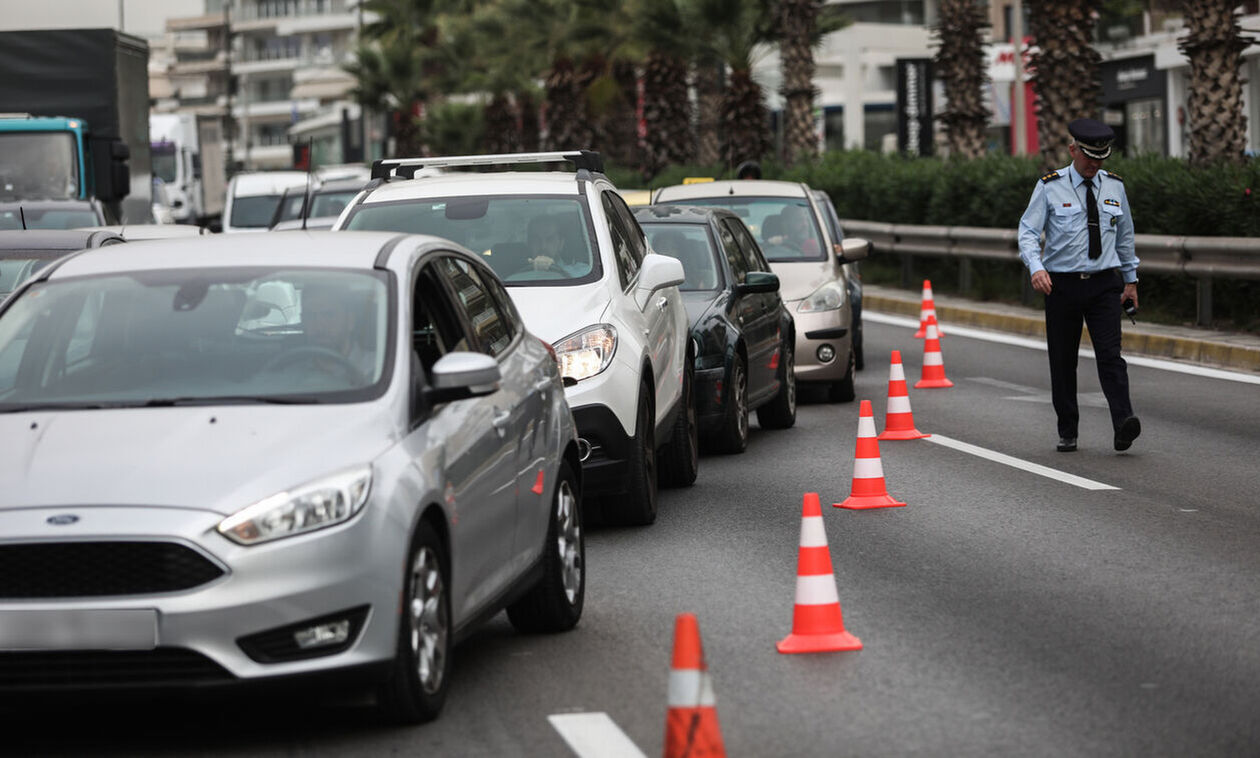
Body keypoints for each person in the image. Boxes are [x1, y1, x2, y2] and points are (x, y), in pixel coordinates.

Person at [1018, 117, 1141, 453]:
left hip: (1104, 284)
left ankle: (1123, 423)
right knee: (1063, 360)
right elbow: (1028, 232)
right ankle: (1068, 429)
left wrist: (1130, 281)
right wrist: (1036, 267)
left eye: (1101, 157)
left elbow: (1125, 237)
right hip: (1061, 286)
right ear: (1073, 150)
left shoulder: (1114, 186)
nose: (1094, 163)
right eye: (1088, 156)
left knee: (1110, 356)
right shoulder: (1049, 186)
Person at [301, 284, 375, 383]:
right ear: (302, 321)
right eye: (310, 315)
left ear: (350, 321)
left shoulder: (378, 370)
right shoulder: (291, 371)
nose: (318, 326)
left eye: (328, 315)